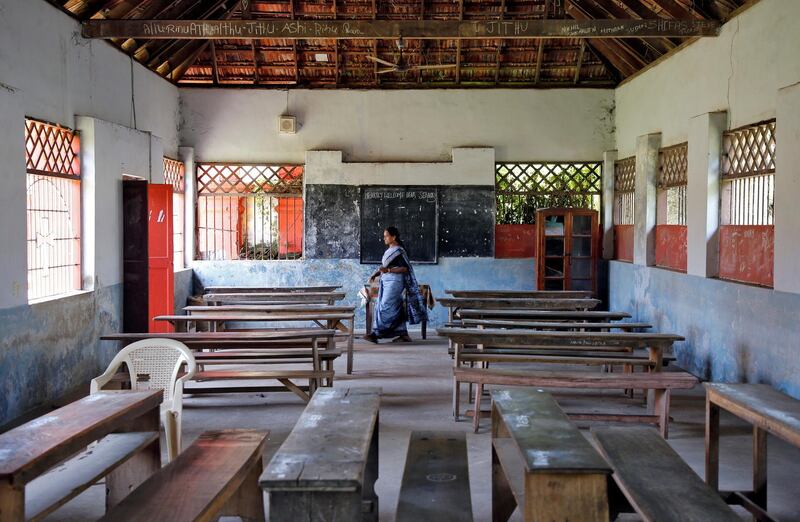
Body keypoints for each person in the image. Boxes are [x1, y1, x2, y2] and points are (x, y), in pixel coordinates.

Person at [363, 226, 427, 344]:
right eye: (384, 236)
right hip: (386, 281)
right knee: (394, 306)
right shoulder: (389, 250)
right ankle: (403, 334)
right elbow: (385, 267)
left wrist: (388, 271)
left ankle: (376, 333)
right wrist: (376, 274)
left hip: (395, 282)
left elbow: (404, 268)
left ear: (394, 237)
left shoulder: (399, 251)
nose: (384, 239)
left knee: (385, 306)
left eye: (386, 236)